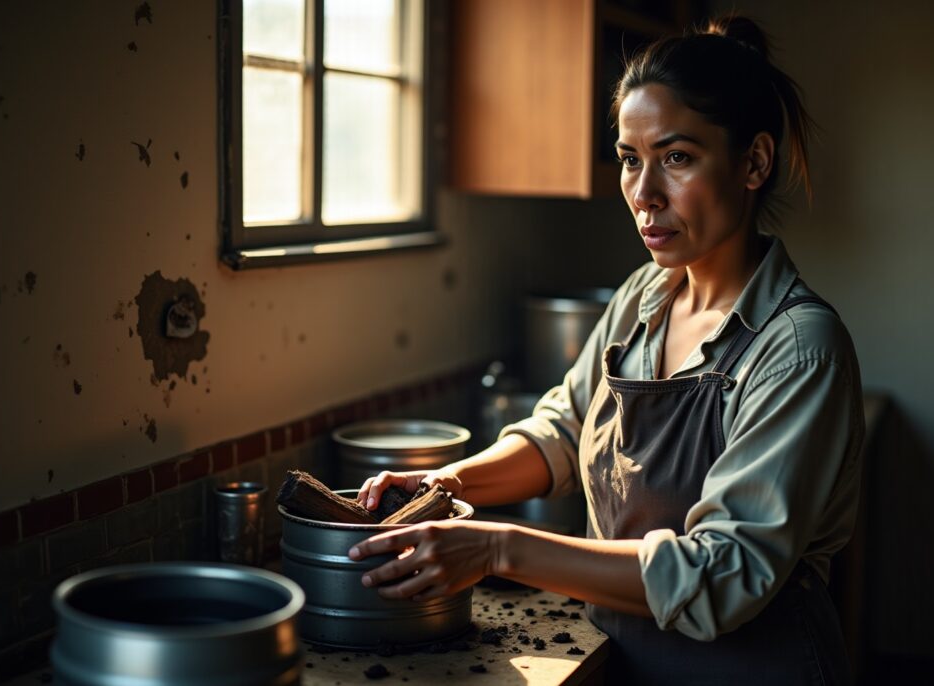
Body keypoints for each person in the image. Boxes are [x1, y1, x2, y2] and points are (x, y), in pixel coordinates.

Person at [349, 15, 864, 685]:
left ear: (754, 163)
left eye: (676, 157)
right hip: (624, 662)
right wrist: (444, 485)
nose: (644, 195)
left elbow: (721, 574)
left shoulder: (798, 350)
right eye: (629, 159)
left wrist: (498, 547)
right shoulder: (643, 297)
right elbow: (562, 432)